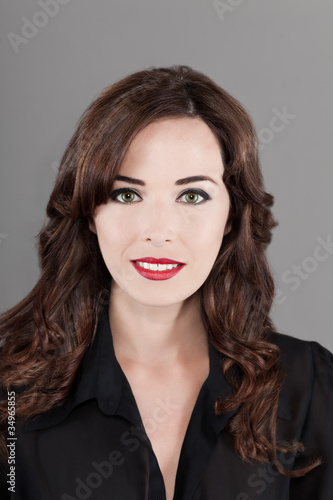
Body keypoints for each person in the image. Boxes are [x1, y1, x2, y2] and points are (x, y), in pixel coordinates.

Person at [0, 65, 332, 500]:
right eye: (126, 194)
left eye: (192, 195)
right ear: (89, 212)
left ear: (232, 217)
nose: (159, 232)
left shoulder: (307, 386)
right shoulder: (10, 391)